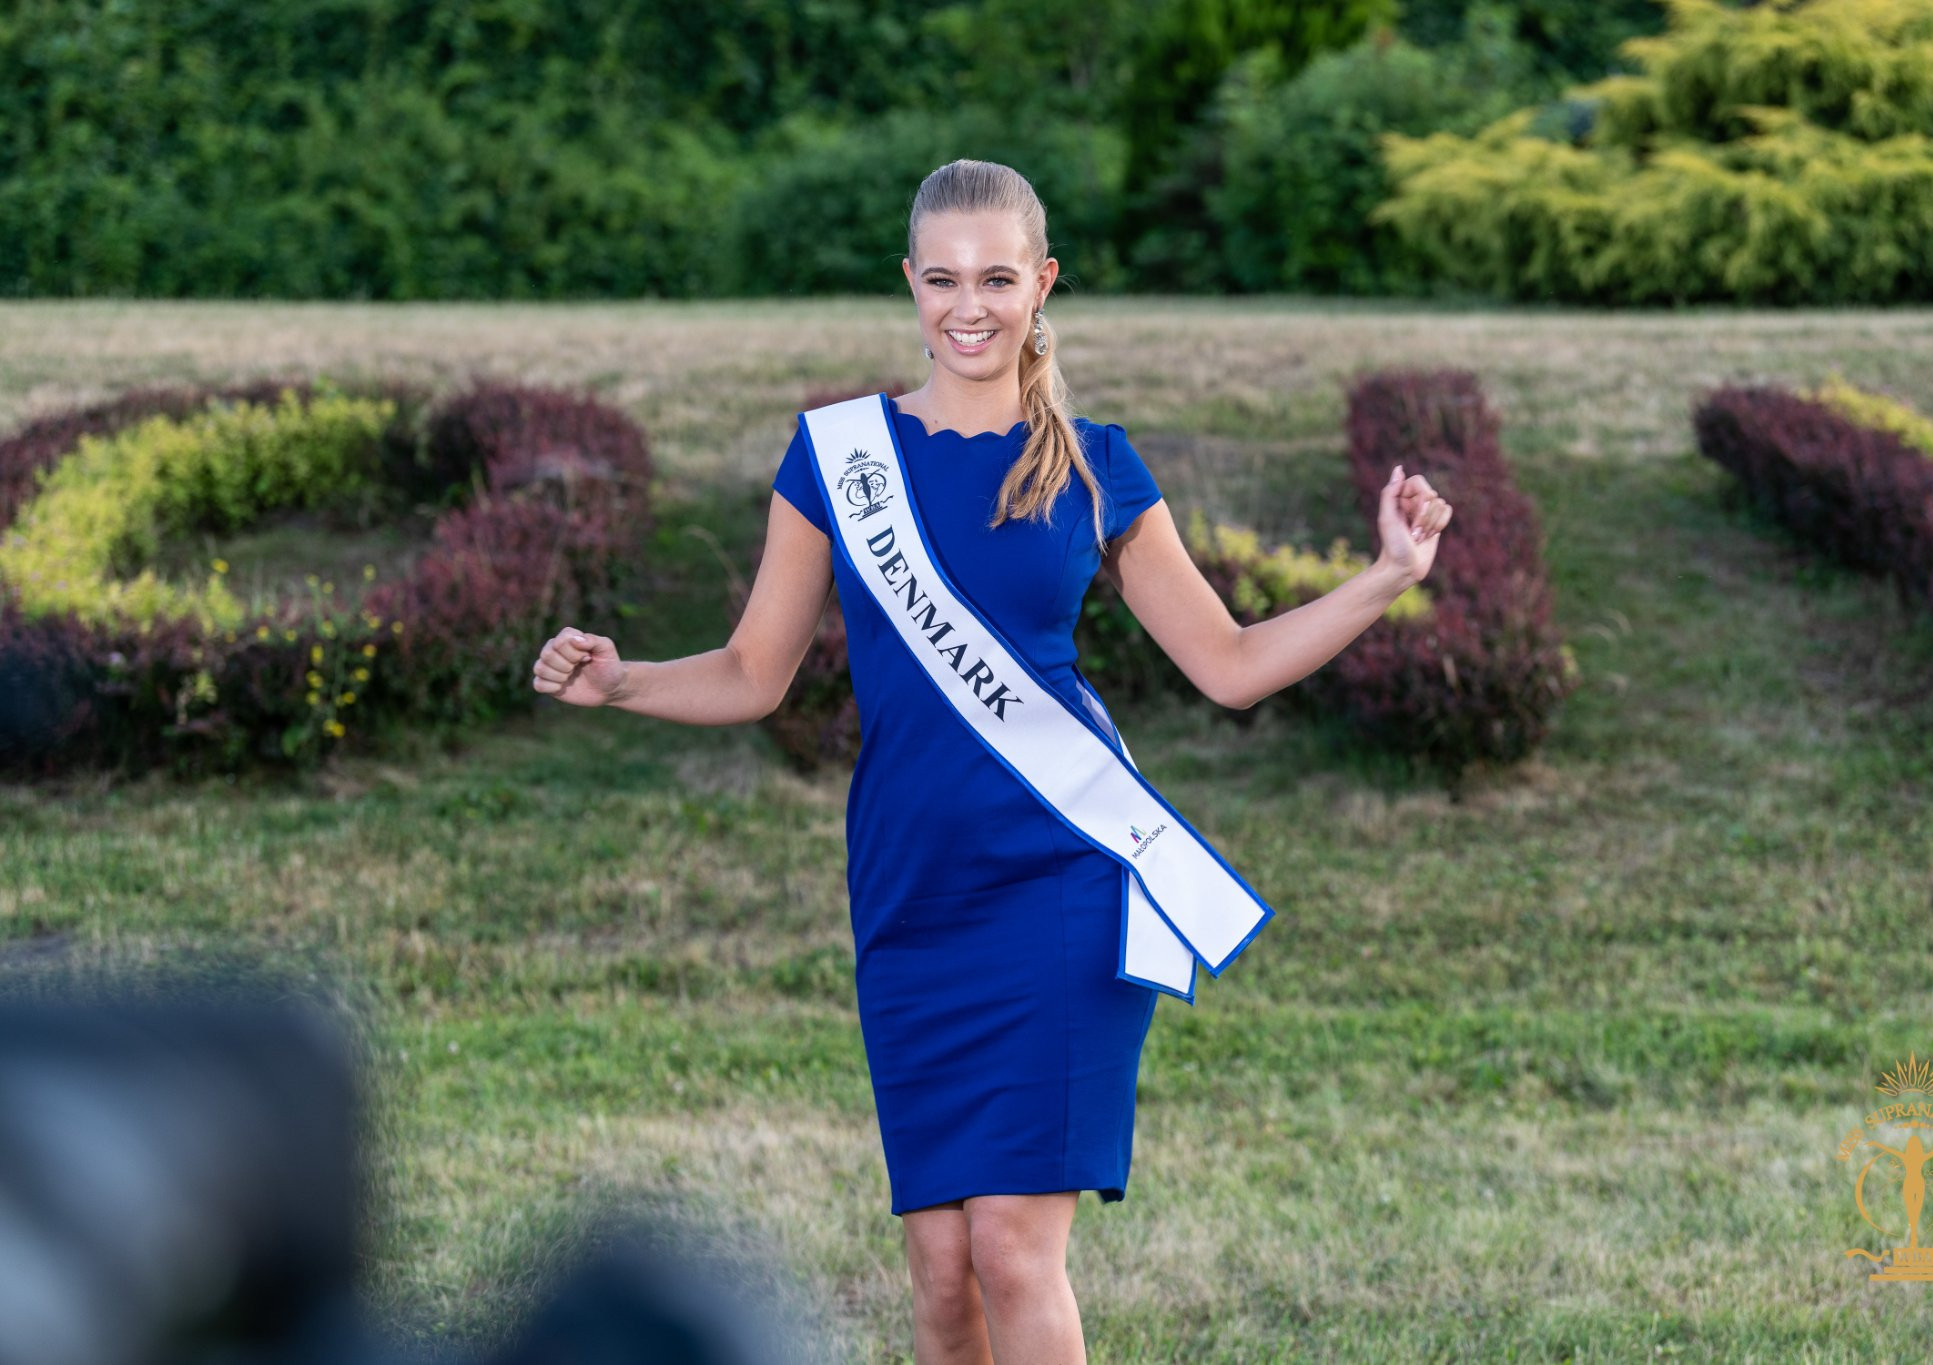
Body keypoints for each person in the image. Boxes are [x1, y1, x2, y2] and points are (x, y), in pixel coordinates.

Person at [529, 159, 1451, 1365]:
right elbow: (757, 674)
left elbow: (1226, 664)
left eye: (999, 278)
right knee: (939, 1273)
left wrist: (1385, 577)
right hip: (912, 891)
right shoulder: (835, 459)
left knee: (1014, 1250)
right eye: (944, 280)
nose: (971, 306)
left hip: (1062, 879)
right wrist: (623, 681)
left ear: (1042, 284)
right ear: (908, 285)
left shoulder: (1095, 466)